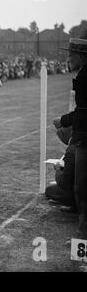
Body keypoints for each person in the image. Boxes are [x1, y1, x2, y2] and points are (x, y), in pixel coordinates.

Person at [54, 38, 87, 239]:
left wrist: (63, 120)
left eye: (71, 54)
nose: (68, 58)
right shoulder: (82, 75)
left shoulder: (84, 78)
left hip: (84, 137)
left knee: (80, 186)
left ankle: (83, 235)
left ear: (81, 56)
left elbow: (83, 112)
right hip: (82, 135)